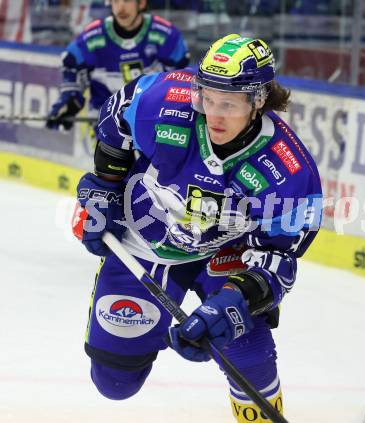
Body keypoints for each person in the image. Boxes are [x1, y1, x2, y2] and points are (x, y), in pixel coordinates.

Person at [72, 33, 322, 422]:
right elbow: (115, 118)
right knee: (114, 381)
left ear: (258, 101)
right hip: (145, 236)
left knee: (249, 351)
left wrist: (235, 303)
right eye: (207, 97)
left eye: (229, 103)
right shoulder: (164, 98)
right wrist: (105, 187)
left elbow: (280, 257)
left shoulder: (288, 170)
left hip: (224, 252)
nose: (214, 114)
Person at [46, 0, 189, 130]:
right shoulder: (93, 37)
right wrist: (69, 101)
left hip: (152, 122)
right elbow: (72, 67)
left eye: (127, 1)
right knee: (109, 157)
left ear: (142, 3)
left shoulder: (166, 35)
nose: (120, 8)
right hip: (106, 123)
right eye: (115, 1)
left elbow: (180, 83)